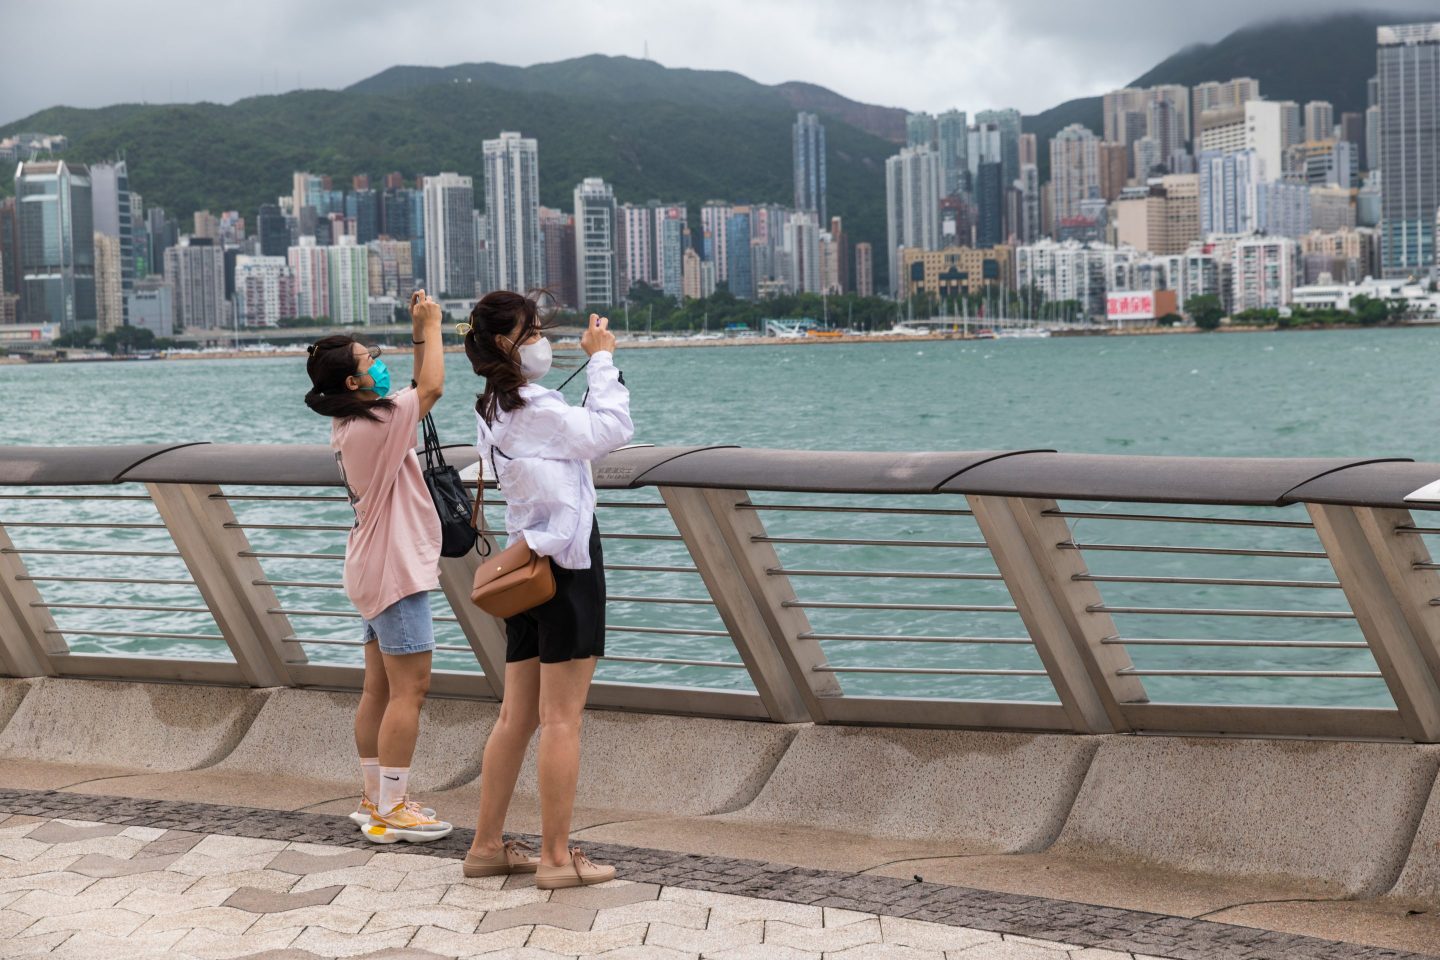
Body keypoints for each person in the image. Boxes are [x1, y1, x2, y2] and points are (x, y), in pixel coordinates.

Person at [461, 290, 633, 888]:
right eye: (531, 330)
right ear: (507, 344)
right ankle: (558, 860)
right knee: (561, 720)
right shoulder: (535, 406)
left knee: (517, 716)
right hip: (567, 564)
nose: (542, 339)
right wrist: (603, 358)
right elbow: (611, 428)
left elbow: (570, 440)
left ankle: (486, 846)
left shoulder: (492, 408)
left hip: (526, 570)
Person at [303, 289, 452, 844]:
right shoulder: (378, 424)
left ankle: (374, 797)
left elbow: (415, 388)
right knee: (409, 690)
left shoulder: (354, 424)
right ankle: (393, 806)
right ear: (353, 383)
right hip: (395, 573)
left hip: (370, 566)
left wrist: (419, 333)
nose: (378, 364)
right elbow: (432, 387)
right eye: (370, 361)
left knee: (378, 690)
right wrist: (434, 324)